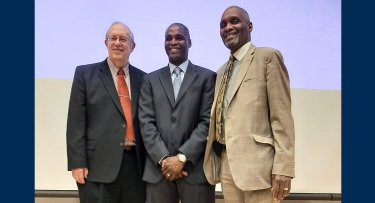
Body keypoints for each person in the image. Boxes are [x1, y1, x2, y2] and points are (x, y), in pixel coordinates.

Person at [203, 6, 295, 203]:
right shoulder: (220, 73)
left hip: (260, 168)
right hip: (227, 165)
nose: (228, 27)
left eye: (234, 21)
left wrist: (284, 167)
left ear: (250, 26)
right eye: (223, 25)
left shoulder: (267, 57)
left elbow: (282, 116)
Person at [66, 21, 146, 203]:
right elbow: (76, 121)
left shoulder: (145, 79)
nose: (117, 42)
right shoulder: (85, 74)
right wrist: (77, 163)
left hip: (136, 168)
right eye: (113, 38)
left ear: (132, 46)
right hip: (97, 168)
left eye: (123, 39)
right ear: (106, 43)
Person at [138, 23, 216, 203]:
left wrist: (182, 158)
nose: (173, 41)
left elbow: (207, 122)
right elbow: (146, 122)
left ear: (189, 42)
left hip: (195, 171)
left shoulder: (207, 77)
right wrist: (165, 159)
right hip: (159, 172)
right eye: (169, 38)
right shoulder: (150, 80)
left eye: (179, 37)